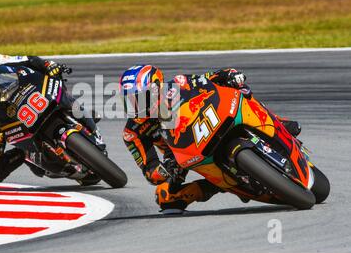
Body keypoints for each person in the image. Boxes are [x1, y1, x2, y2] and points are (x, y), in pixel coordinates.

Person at [120, 65, 301, 214]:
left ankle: (277, 122)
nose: (137, 106)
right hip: (179, 155)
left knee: (240, 90)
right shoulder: (132, 132)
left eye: (141, 99)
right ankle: (220, 185)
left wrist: (228, 75)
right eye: (130, 101)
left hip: (206, 123)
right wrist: (162, 171)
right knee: (166, 197)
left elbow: (208, 78)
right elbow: (149, 169)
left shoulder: (178, 83)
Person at [0, 38, 96, 183]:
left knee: (55, 84)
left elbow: (23, 60)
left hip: (14, 98)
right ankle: (27, 154)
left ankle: (79, 114)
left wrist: (47, 65)